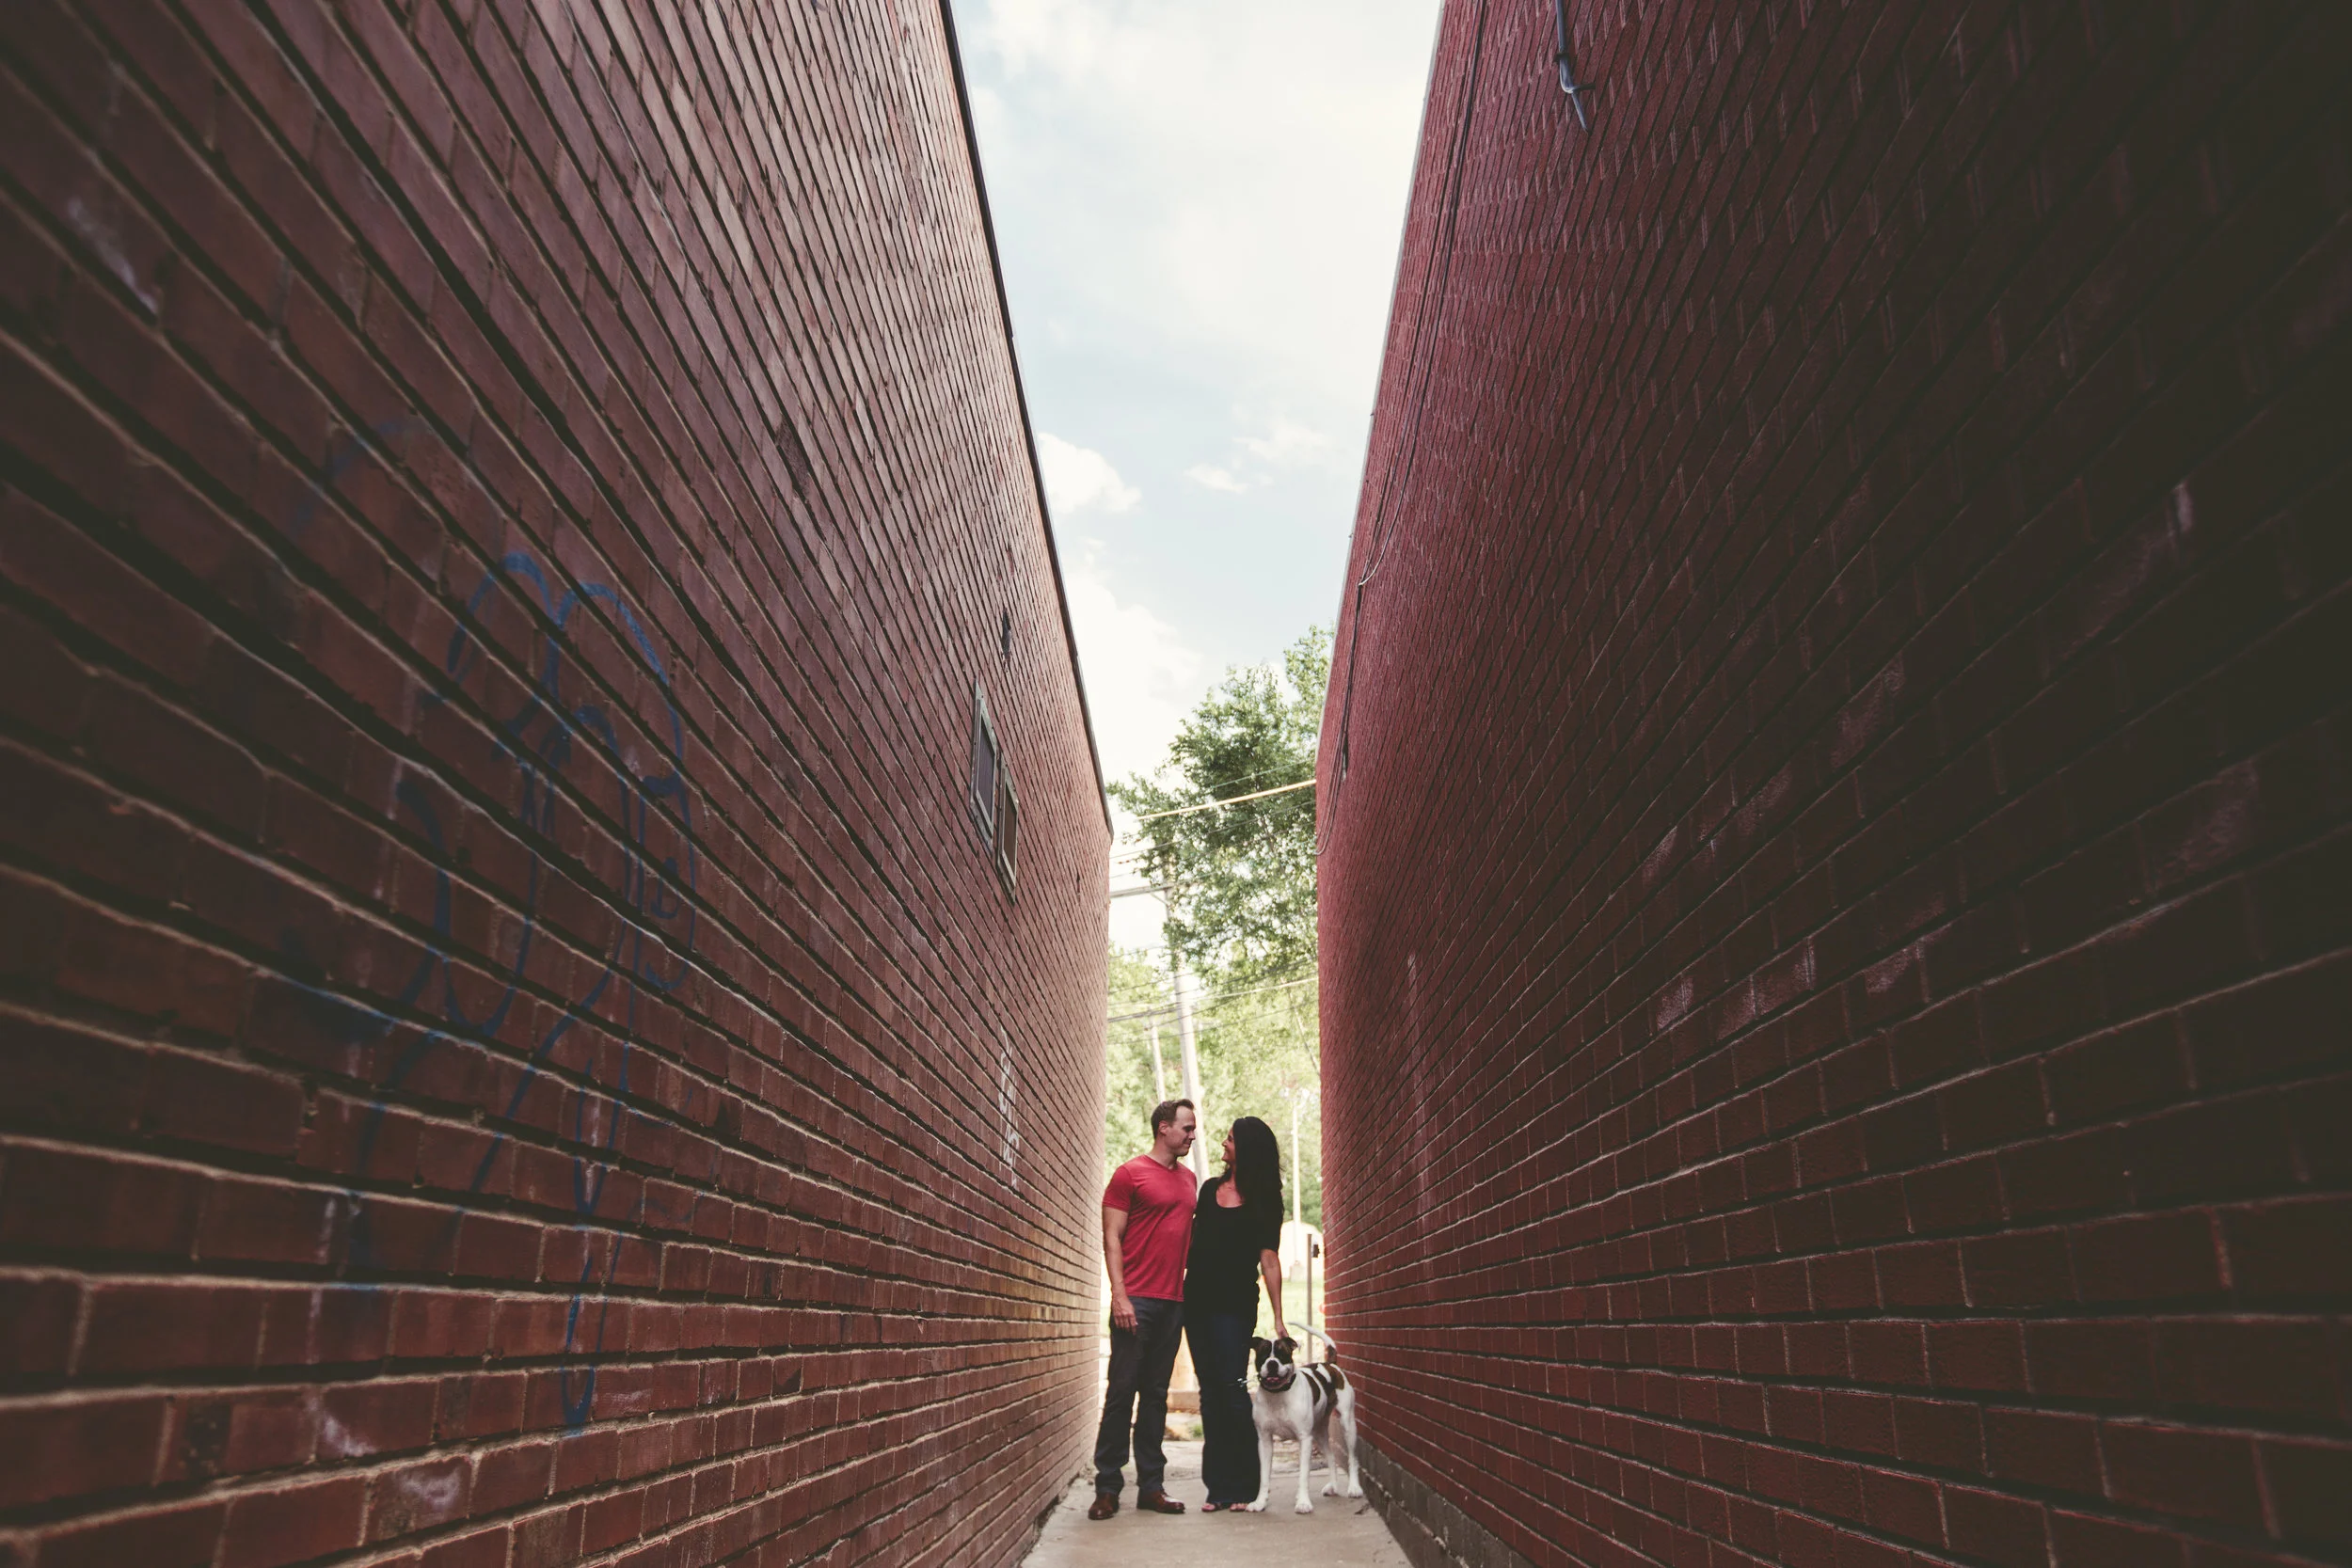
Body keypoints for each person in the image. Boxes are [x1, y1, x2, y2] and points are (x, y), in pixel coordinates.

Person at [1089, 1098, 1200, 1520]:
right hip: (1135, 1302)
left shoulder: (1189, 1180)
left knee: (1155, 1398)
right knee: (1121, 1395)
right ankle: (1107, 1488)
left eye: (1192, 1129)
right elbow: (1111, 1237)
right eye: (1186, 1128)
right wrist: (1119, 1295)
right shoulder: (1129, 1174)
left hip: (1174, 1303)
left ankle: (1151, 1487)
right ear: (1163, 1128)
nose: (1192, 1135)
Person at [1184, 1116, 1288, 1513]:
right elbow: (1191, 1245)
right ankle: (1218, 1487)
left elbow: (1270, 1260)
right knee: (1209, 1393)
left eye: (1230, 1138)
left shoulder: (1265, 1201)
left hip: (1235, 1307)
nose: (1223, 1143)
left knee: (1230, 1388)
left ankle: (1245, 1484)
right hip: (1196, 1304)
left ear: (1246, 1149)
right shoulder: (1209, 1190)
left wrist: (1278, 1318)